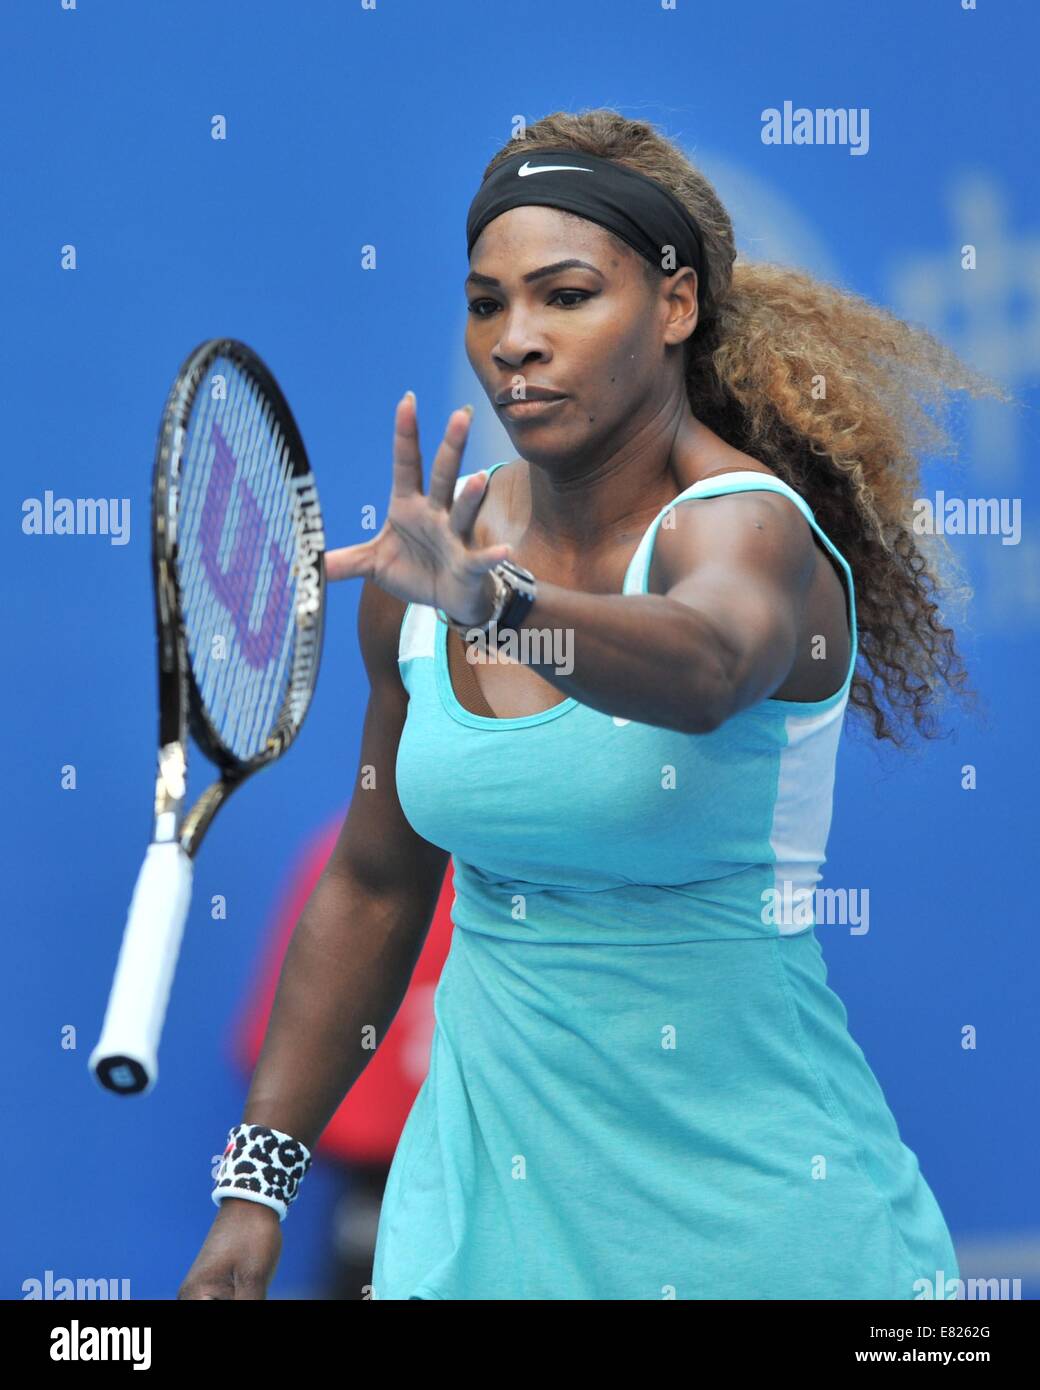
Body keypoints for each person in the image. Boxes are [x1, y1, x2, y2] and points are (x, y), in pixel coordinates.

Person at [179, 108, 1007, 1301]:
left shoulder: (747, 531)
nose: (515, 339)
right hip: (470, 1240)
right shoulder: (428, 570)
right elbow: (373, 884)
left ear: (672, 308)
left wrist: (496, 607)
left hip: (768, 1236)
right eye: (485, 304)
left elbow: (707, 663)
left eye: (565, 296)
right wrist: (255, 1190)